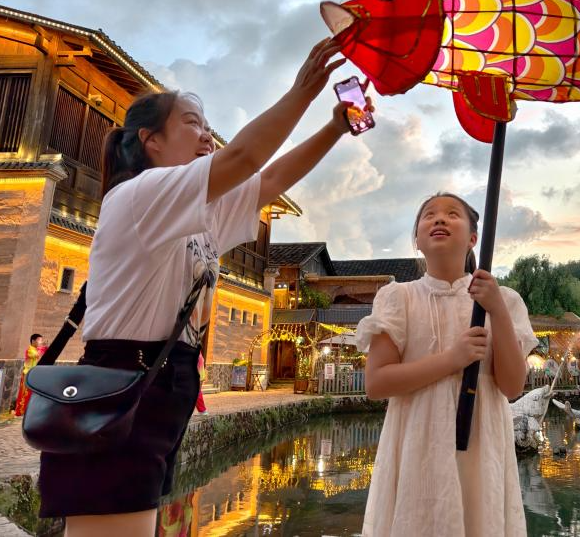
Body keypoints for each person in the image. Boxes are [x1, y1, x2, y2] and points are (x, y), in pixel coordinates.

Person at [38, 38, 355, 536]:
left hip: (163, 381)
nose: (207, 135)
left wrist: (335, 127)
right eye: (192, 123)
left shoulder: (198, 213)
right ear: (151, 140)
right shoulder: (140, 194)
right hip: (125, 377)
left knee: (132, 522)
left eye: (208, 126)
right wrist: (303, 91)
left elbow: (269, 179)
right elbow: (245, 156)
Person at [356, 193, 538, 536]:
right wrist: (453, 359)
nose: (439, 219)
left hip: (482, 444)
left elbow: (512, 386)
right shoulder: (399, 298)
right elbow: (377, 383)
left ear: (473, 238)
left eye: (452, 214)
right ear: (417, 239)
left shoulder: (504, 300)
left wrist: (497, 310)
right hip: (418, 443)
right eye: (429, 215)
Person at [13, 333, 46, 416]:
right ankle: (20, 411)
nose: (40, 342)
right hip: (27, 374)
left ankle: (28, 411)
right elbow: (37, 355)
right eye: (39, 340)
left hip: (33, 374)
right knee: (25, 393)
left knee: (31, 393)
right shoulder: (30, 350)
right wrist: (44, 348)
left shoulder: (36, 349)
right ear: (33, 341)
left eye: (41, 340)